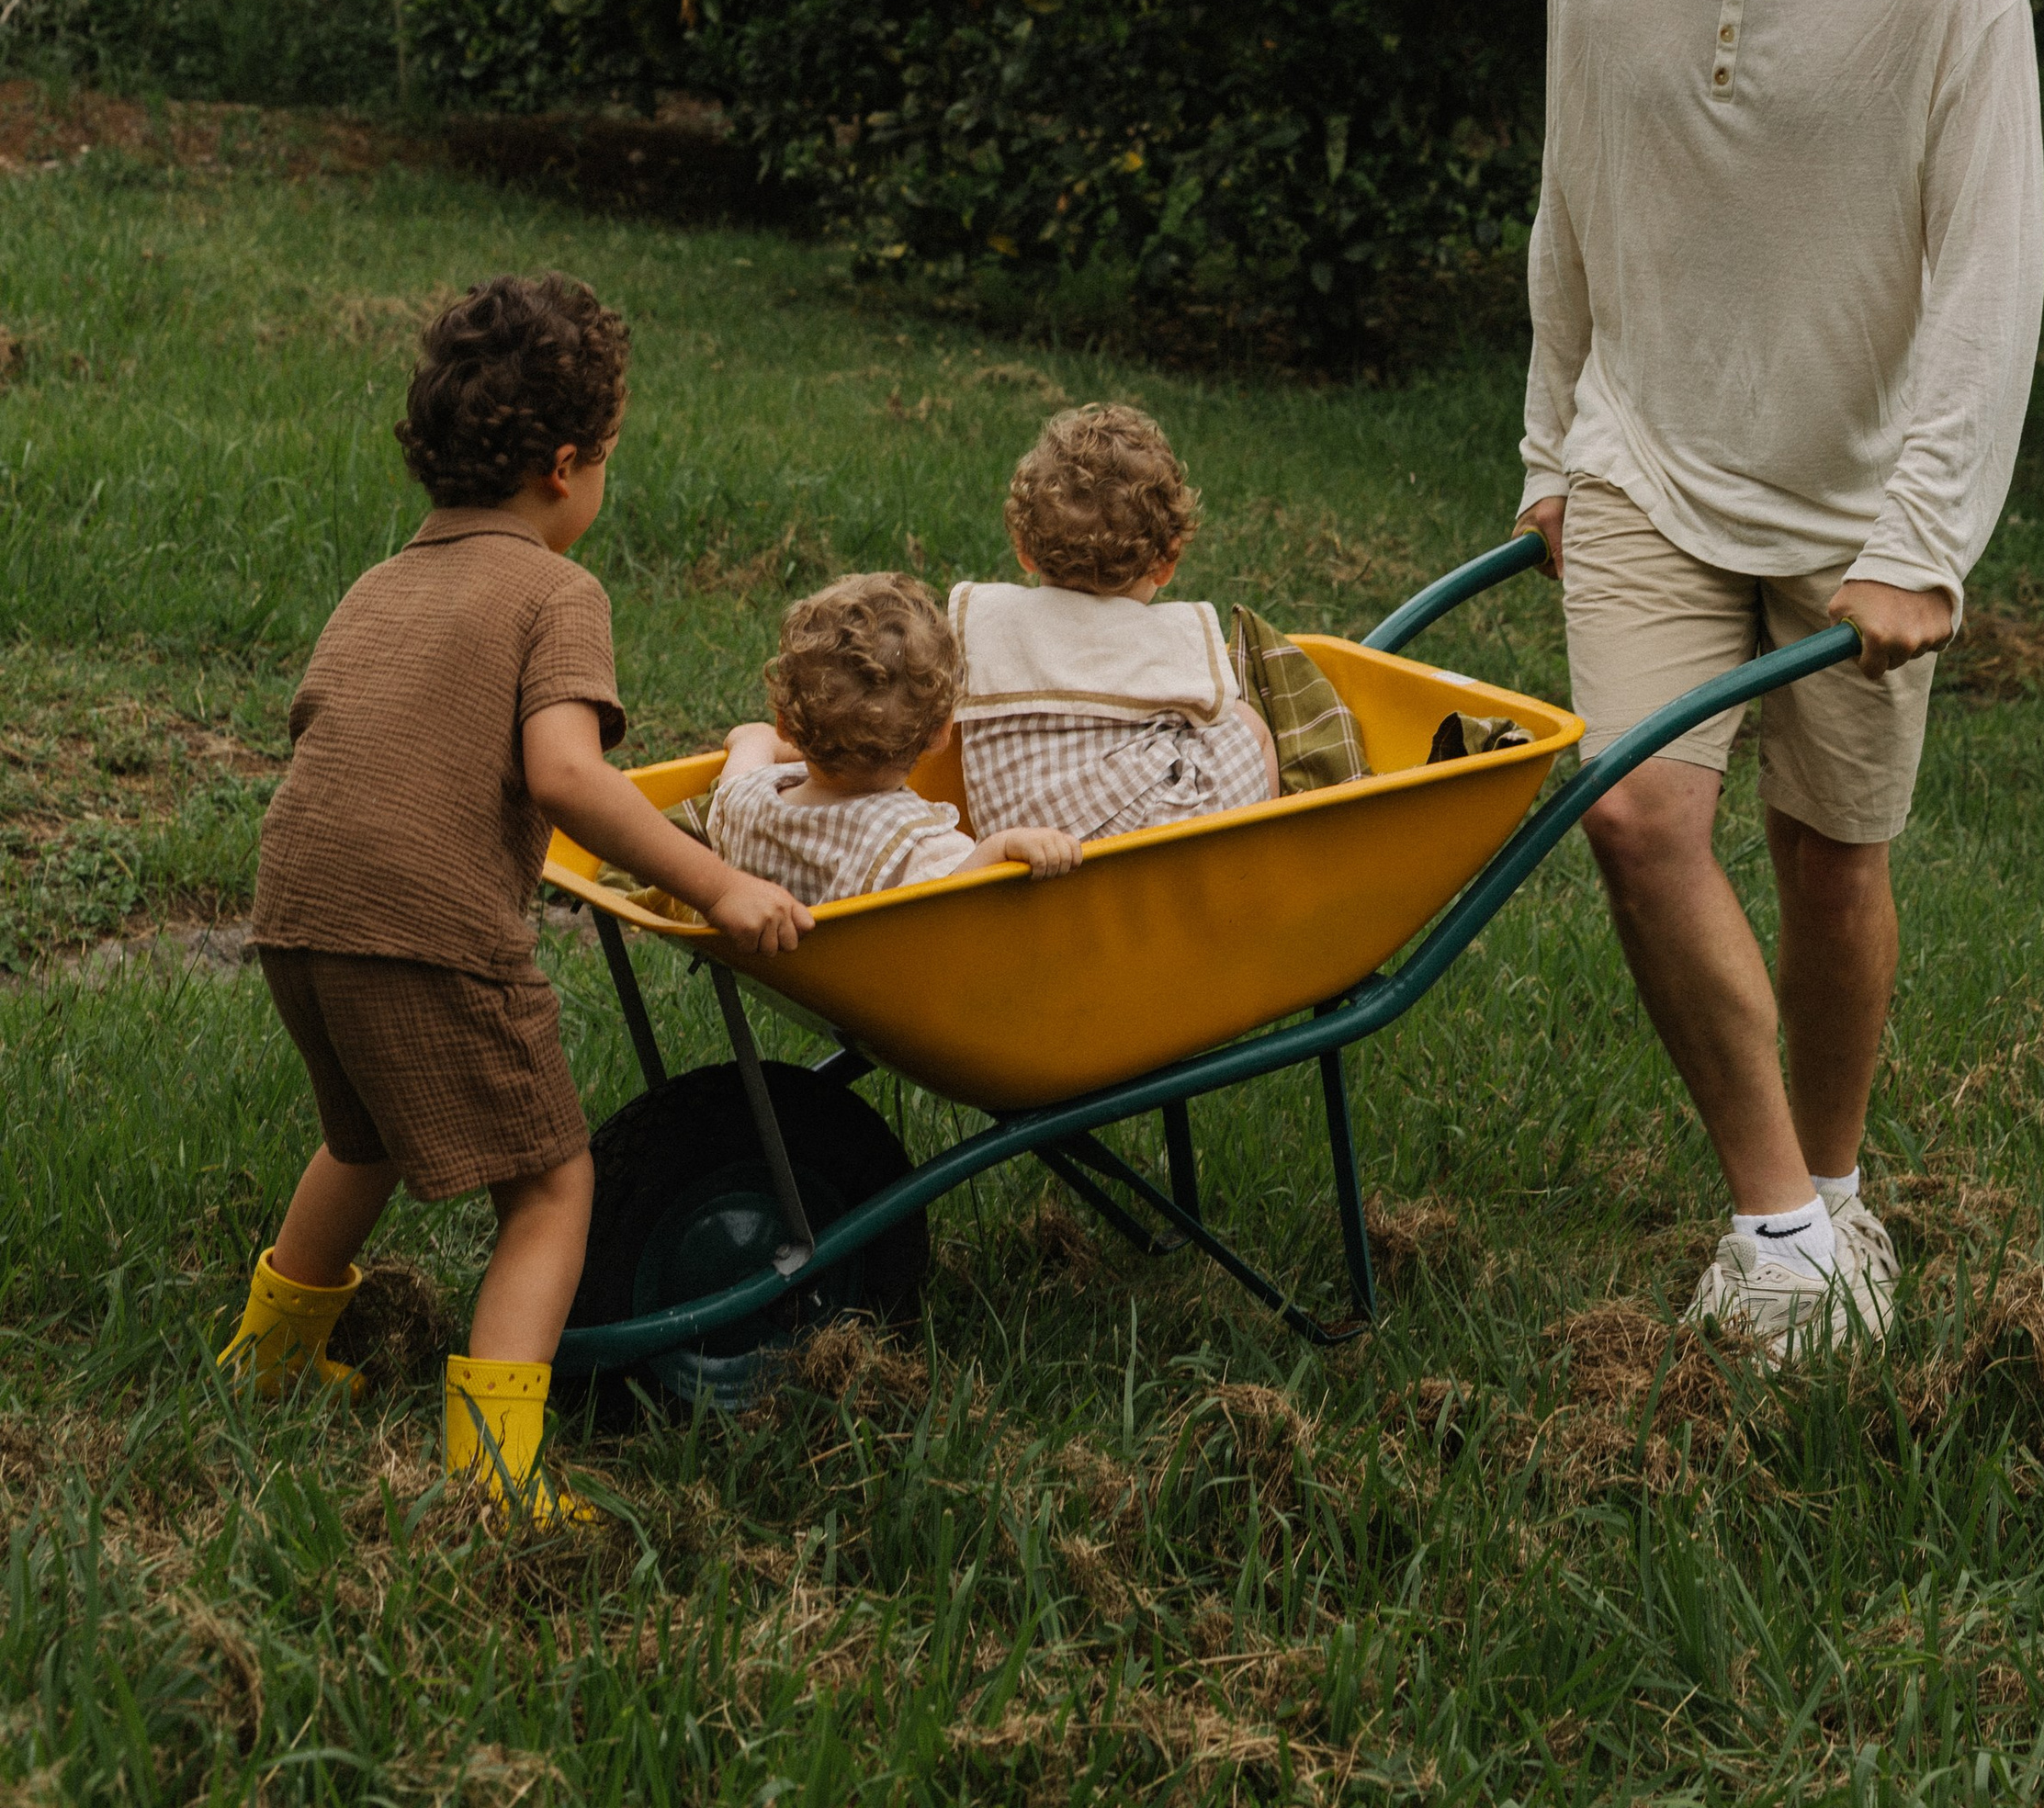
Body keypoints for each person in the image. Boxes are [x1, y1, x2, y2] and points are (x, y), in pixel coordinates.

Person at [1516, 0, 2043, 1357]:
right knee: (1635, 812)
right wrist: (1551, 443)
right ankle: (1781, 1224)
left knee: (1827, 859)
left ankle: (1834, 1183)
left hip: (1851, 498)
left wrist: (1923, 542)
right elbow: (1569, 196)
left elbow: (1989, 272)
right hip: (1648, 464)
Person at [219, 273, 814, 1527]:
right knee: (550, 1185)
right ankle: (494, 1475)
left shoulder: (378, 584)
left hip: (293, 907)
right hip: (427, 927)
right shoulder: (557, 592)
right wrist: (719, 881)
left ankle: (268, 1361)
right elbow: (564, 775)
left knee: (366, 1134)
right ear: (563, 466)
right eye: (606, 459)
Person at [954, 405, 1279, 842]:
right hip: (1155, 851)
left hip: (1023, 851)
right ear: (1167, 562)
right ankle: (1267, 853)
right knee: (1246, 724)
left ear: (1023, 549)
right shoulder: (1166, 649)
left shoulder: (987, 631)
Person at [709, 570, 1084, 898]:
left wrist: (759, 740)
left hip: (774, 962)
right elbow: (949, 903)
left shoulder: (746, 801)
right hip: (865, 970)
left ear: (784, 724)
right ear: (940, 735)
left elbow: (748, 742)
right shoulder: (914, 844)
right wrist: (998, 847)